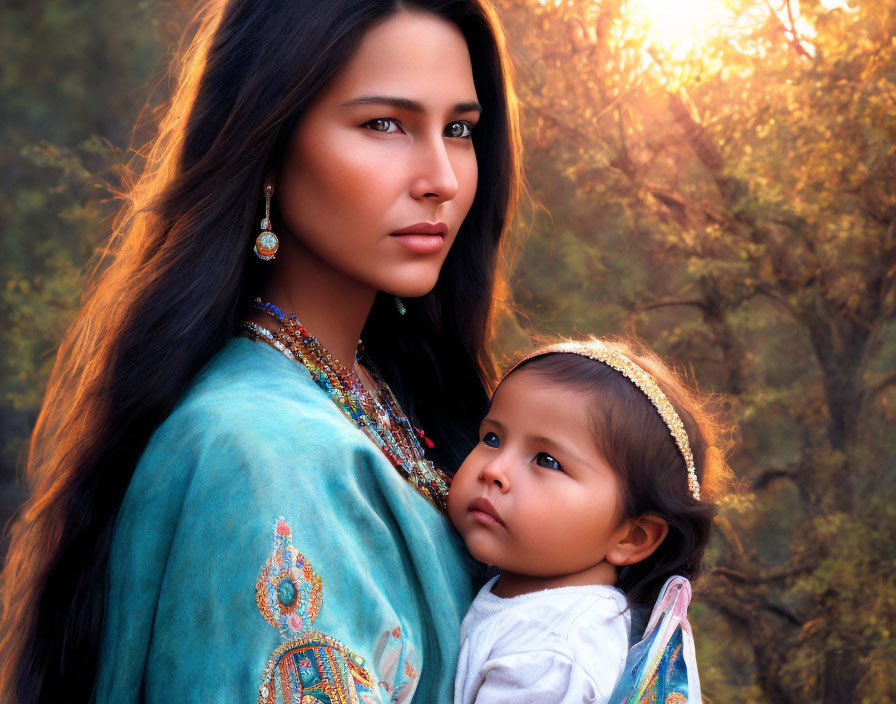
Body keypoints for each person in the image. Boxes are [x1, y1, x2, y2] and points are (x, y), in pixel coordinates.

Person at [0, 1, 520, 702]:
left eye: (458, 130)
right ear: (269, 146)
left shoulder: (384, 398)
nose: (443, 179)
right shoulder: (257, 453)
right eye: (384, 124)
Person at [448, 338, 730, 703]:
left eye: (547, 461)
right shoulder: (538, 603)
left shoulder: (554, 654)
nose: (494, 470)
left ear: (633, 536)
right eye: (492, 438)